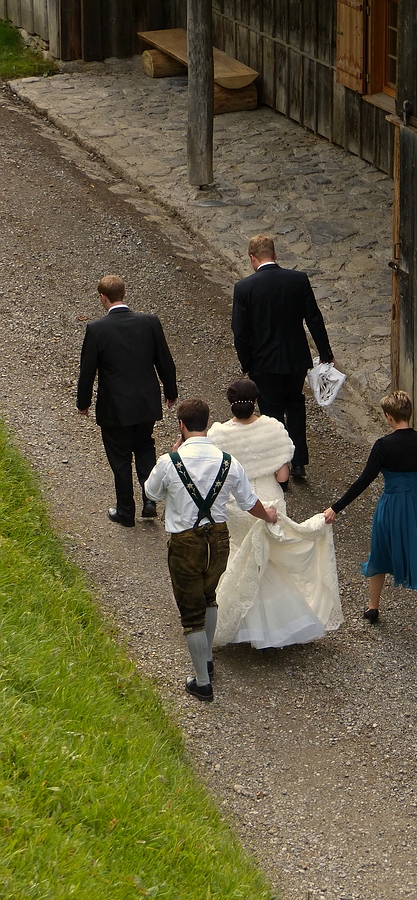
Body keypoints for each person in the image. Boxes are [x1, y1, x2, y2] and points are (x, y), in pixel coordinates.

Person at [144, 398, 277, 702]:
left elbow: (150, 492)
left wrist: (173, 455)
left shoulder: (170, 461)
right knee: (209, 597)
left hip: (185, 541)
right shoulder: (228, 462)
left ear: (181, 426)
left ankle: (202, 682)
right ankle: (207, 659)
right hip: (218, 539)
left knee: (191, 612)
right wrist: (267, 515)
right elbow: (248, 501)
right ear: (207, 424)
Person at [324, 390, 417, 660]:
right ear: (409, 413)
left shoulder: (383, 446)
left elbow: (363, 481)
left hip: (391, 509)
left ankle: (373, 606)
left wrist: (335, 508)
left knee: (380, 556)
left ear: (389, 417)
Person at [208, 379, 343, 649]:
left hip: (239, 506)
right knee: (270, 561)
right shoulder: (273, 428)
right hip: (270, 499)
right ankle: (281, 623)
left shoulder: (218, 436)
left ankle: (233, 621)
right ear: (256, 400)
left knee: (240, 556)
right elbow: (282, 476)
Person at [76, 274, 178, 527]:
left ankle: (125, 511)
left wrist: (83, 402)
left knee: (120, 458)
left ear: (103, 297)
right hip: (145, 403)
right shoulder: (150, 323)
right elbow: (164, 360)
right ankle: (149, 500)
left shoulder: (97, 329)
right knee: (144, 448)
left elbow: (87, 370)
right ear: (124, 293)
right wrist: (171, 391)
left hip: (115, 407)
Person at [231, 233, 334, 479]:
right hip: (295, 358)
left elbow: (240, 331)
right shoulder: (298, 280)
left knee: (271, 412)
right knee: (296, 405)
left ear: (252, 258)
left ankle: (279, 464)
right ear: (275, 255)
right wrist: (325, 352)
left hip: (263, 362)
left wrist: (247, 363)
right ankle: (298, 462)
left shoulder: (244, 288)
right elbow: (314, 318)